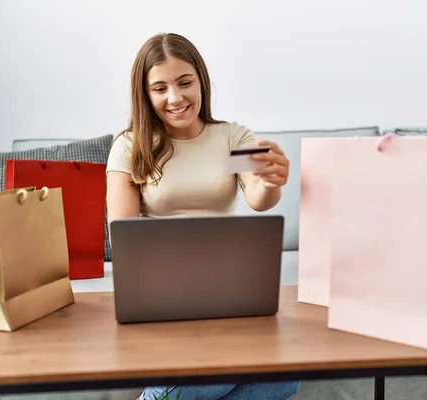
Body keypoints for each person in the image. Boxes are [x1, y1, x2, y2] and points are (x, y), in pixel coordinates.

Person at [105, 32, 301, 400]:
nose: (175, 98)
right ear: (145, 94)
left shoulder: (232, 139)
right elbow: (123, 236)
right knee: (227, 376)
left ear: (201, 82)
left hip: (228, 286)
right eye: (160, 88)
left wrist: (272, 181)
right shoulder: (131, 146)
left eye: (184, 83)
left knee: (286, 378)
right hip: (160, 290)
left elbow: (259, 198)